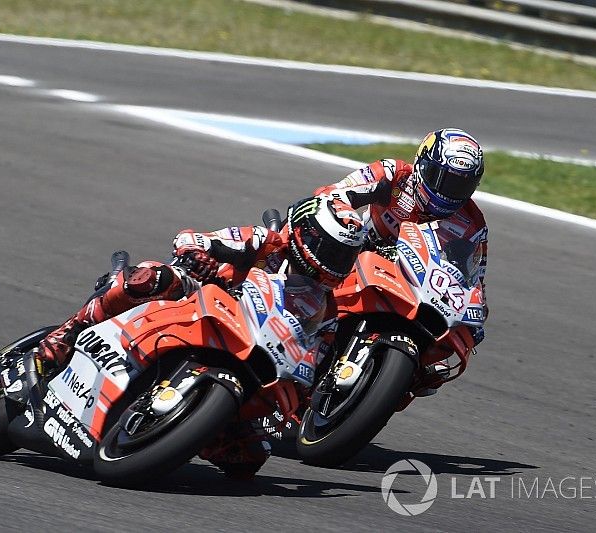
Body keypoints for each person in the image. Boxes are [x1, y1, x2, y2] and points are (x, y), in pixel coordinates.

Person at [36, 194, 364, 478]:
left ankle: (183, 428)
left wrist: (301, 392)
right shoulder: (265, 242)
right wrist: (197, 254)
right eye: (330, 250)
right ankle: (69, 332)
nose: (336, 262)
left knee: (247, 460)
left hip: (252, 348)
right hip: (202, 299)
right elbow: (191, 239)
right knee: (149, 278)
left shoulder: (327, 308)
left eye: (344, 256)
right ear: (305, 233)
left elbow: (315, 358)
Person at [315, 127, 489, 393]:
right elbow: (334, 193)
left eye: (460, 185)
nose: (448, 192)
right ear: (422, 163)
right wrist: (343, 213)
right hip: (356, 253)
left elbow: (474, 277)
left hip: (417, 286)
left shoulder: (472, 223)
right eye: (441, 178)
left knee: (427, 373)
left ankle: (389, 378)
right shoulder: (394, 174)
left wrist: (475, 316)